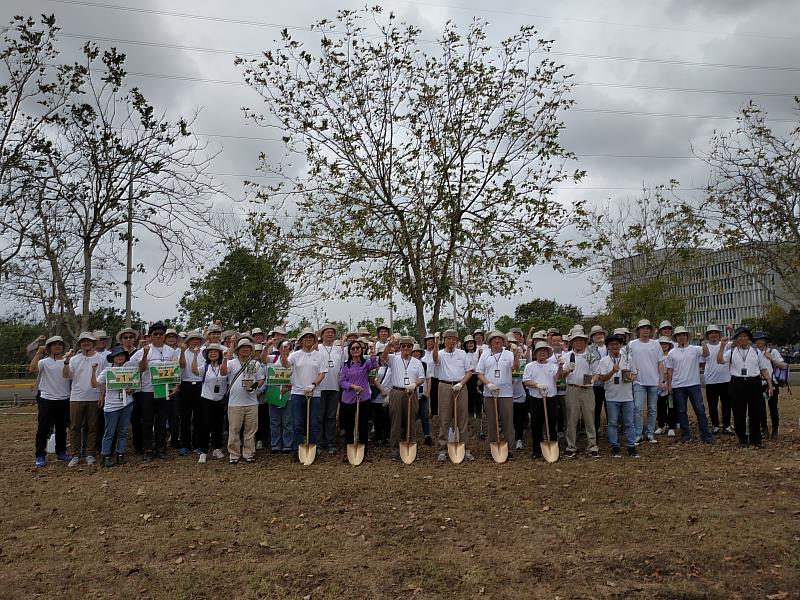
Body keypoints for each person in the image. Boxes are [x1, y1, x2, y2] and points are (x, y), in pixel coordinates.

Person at [129, 322, 181, 461]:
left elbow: (175, 370)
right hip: (147, 390)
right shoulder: (144, 350)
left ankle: (161, 447)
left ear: (164, 336)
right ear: (150, 336)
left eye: (161, 334)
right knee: (147, 421)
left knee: (162, 421)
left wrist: (176, 385)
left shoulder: (170, 351)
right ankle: (147, 448)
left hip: (164, 390)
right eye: (155, 334)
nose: (158, 336)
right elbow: (140, 369)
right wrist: (145, 355)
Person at [716, 326, 772, 448]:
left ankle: (756, 439)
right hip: (737, 383)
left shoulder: (756, 351)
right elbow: (719, 360)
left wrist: (769, 384)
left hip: (754, 382)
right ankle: (742, 439)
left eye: (745, 336)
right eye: (739, 336)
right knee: (739, 412)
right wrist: (721, 346)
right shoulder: (731, 352)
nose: (742, 338)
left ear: (749, 338)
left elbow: (763, 369)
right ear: (736, 339)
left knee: (755, 411)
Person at [281, 328, 327, 462]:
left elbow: (322, 373)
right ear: (301, 341)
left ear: (314, 340)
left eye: (311, 337)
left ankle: (313, 449)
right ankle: (297, 450)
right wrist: (284, 353)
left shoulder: (320, 355)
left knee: (313, 424)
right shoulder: (295, 355)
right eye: (305, 337)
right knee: (298, 423)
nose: (308, 339)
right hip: (297, 393)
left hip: (314, 393)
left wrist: (313, 385)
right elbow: (285, 365)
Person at [380, 336, 426, 460]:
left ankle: (411, 448)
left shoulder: (417, 362)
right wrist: (389, 345)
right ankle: (395, 451)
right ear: (400, 348)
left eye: (409, 346)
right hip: (397, 392)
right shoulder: (393, 358)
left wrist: (415, 384)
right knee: (396, 421)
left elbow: (422, 378)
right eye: (403, 346)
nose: (406, 348)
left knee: (411, 421)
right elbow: (383, 357)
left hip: (411, 393)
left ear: (412, 348)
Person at [475, 330, 519, 459]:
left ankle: (510, 447)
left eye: (499, 339)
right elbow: (479, 373)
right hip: (489, 393)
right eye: (494, 339)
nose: (497, 341)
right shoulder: (485, 355)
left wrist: (516, 356)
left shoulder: (509, 354)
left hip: (506, 393)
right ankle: (493, 446)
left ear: (503, 341)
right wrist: (488, 384)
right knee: (492, 421)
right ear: (490, 342)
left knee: (507, 421)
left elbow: (515, 367)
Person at [63, 331, 104, 466]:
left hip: (94, 396)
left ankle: (90, 453)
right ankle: (75, 454)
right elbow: (67, 376)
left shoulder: (101, 358)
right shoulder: (74, 359)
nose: (86, 343)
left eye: (89, 341)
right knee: (75, 427)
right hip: (76, 397)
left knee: (92, 426)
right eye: (83, 341)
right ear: (80, 344)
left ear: (93, 343)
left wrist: (101, 395)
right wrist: (66, 361)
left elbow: (104, 379)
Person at [30, 336, 72, 467]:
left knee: (61, 428)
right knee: (43, 428)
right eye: (54, 344)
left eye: (59, 344)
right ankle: (40, 455)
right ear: (49, 348)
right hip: (46, 399)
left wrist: (68, 360)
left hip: (64, 398)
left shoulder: (68, 361)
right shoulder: (44, 362)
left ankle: (61, 452)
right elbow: (32, 369)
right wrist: (38, 353)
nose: (57, 346)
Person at [433, 329, 474, 462]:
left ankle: (465, 448)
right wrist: (435, 343)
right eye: (448, 338)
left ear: (456, 341)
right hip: (444, 386)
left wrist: (461, 383)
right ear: (444, 340)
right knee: (444, 418)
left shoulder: (462, 354)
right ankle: (442, 449)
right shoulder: (439, 353)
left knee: (462, 418)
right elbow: (434, 359)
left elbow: (469, 372)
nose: (451, 341)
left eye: (453, 339)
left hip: (460, 386)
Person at [595, 334, 639, 458]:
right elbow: (603, 378)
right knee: (613, 423)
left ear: (620, 345)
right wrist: (613, 371)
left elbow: (635, 373)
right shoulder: (604, 361)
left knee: (629, 423)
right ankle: (615, 446)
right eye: (612, 344)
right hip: (611, 397)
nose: (615, 346)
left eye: (617, 344)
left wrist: (631, 379)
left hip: (627, 396)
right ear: (608, 347)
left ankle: (631, 446)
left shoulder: (628, 358)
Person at [668, 326, 713, 445]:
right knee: (681, 411)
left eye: (683, 335)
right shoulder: (672, 353)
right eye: (679, 335)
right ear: (676, 338)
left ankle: (705, 435)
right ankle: (686, 435)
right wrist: (669, 384)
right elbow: (670, 370)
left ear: (687, 336)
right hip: (678, 386)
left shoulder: (695, 349)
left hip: (694, 384)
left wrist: (703, 341)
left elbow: (707, 353)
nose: (681, 337)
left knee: (700, 410)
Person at [561, 327, 601, 458]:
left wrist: (592, 381)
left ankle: (592, 446)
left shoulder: (591, 356)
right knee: (572, 418)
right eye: (576, 340)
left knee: (589, 418)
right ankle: (571, 446)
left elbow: (596, 373)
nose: (579, 342)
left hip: (587, 390)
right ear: (572, 342)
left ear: (585, 342)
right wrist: (567, 370)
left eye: (581, 340)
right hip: (572, 388)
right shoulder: (567, 356)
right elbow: (560, 375)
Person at [93, 346, 135, 466]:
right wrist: (92, 371)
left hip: (127, 403)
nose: (120, 357)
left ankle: (120, 453)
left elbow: (134, 388)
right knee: (109, 432)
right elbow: (95, 383)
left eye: (122, 355)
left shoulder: (129, 370)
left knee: (123, 431)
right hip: (112, 405)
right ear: (112, 358)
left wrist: (130, 390)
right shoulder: (107, 371)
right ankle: (105, 454)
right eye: (117, 355)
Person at [226, 338, 265, 463]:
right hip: (235, 403)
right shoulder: (231, 363)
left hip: (251, 402)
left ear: (251, 350)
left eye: (248, 347)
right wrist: (224, 359)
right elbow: (223, 373)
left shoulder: (255, 364)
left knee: (250, 430)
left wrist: (255, 386)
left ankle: (248, 453)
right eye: (243, 347)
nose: (245, 349)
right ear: (238, 350)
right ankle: (234, 454)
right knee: (234, 429)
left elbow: (261, 379)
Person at [339, 338, 378, 457]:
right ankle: (349, 448)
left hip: (363, 398)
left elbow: (374, 366)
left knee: (363, 424)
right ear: (349, 351)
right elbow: (341, 382)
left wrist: (372, 354)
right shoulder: (346, 365)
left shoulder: (365, 363)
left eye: (358, 348)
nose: (355, 350)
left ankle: (363, 449)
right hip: (348, 398)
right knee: (349, 425)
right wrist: (352, 386)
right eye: (353, 348)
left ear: (361, 350)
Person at [628, 319, 665, 445]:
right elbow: (627, 361)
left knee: (652, 408)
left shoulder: (655, 344)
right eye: (643, 328)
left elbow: (660, 362)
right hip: (638, 381)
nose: (646, 330)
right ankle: (638, 433)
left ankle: (650, 433)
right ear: (639, 330)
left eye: (648, 328)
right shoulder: (632, 344)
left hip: (653, 381)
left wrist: (661, 379)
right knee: (638, 408)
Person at [523, 341, 562, 460]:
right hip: (536, 399)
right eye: (540, 351)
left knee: (551, 422)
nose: (543, 353)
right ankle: (536, 450)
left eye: (545, 351)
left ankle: (554, 447)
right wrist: (537, 384)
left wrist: (560, 367)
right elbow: (526, 381)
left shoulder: (552, 365)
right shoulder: (529, 366)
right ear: (535, 354)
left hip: (551, 398)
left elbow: (558, 378)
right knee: (536, 424)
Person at [196, 343, 228, 463]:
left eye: (215, 352)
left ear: (219, 354)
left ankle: (217, 448)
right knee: (205, 425)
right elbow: (193, 370)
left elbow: (226, 375)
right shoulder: (204, 367)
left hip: (220, 400)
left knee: (218, 424)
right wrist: (194, 355)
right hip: (206, 399)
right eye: (210, 352)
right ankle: (203, 451)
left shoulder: (224, 365)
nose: (213, 354)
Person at [753, 331, 787, 440]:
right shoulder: (753, 352)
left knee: (773, 408)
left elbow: (783, 365)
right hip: (759, 383)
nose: (758, 342)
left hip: (772, 383)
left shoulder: (773, 351)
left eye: (761, 339)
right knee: (761, 408)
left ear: (765, 341)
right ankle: (764, 429)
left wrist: (772, 357)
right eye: (757, 340)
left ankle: (775, 430)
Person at [317, 323, 344, 454]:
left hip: (334, 387)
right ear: (322, 335)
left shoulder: (339, 349)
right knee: (319, 416)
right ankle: (319, 443)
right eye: (327, 332)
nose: (330, 334)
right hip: (320, 388)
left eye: (332, 332)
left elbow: (343, 367)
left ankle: (330, 442)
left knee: (331, 417)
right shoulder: (317, 348)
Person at [177, 330, 205, 456]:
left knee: (199, 416)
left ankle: (197, 443)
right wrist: (182, 351)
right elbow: (182, 366)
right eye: (192, 339)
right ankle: (185, 444)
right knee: (185, 416)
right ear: (187, 342)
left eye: (197, 339)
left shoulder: (204, 353)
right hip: (185, 385)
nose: (195, 341)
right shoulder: (182, 352)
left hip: (200, 385)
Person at [701, 325, 732, 435]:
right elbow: (702, 362)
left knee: (726, 404)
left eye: (715, 332)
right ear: (708, 335)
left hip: (725, 379)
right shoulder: (705, 347)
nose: (713, 335)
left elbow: (734, 344)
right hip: (711, 381)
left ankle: (727, 425)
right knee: (712, 405)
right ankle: (715, 425)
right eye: (711, 333)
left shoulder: (724, 344)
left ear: (719, 334)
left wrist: (731, 331)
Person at [654, 336, 678, 437]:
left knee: (671, 406)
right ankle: (661, 425)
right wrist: (660, 382)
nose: (663, 346)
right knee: (660, 405)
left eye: (665, 344)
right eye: (661, 344)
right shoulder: (655, 357)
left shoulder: (672, 355)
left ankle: (671, 426)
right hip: (659, 385)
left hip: (671, 384)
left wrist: (670, 383)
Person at [411, 344, 433, 446]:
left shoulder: (424, 364)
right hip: (412, 393)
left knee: (425, 415)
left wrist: (428, 393)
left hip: (423, 393)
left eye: (418, 352)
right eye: (414, 352)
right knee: (412, 415)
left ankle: (427, 436)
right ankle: (411, 436)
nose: (416, 353)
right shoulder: (409, 364)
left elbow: (429, 379)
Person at [588, 325, 608, 433]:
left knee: (610, 409)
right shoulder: (588, 350)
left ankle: (611, 432)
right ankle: (594, 432)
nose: (598, 336)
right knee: (595, 409)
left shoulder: (610, 347)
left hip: (610, 383)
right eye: (596, 334)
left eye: (600, 333)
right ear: (592, 337)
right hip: (595, 384)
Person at [422, 333, 439, 418]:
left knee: (434, 396)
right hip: (425, 378)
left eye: (432, 341)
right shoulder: (422, 353)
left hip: (435, 376)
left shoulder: (436, 352)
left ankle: (434, 413)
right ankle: (426, 412)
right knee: (425, 395)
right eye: (428, 341)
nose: (430, 343)